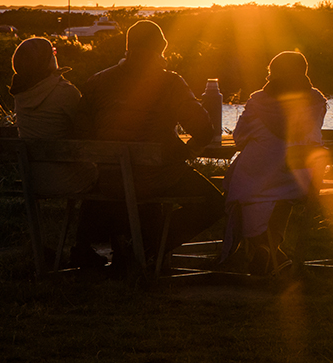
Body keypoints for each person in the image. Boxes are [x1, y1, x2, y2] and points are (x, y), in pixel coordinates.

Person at [76, 20, 225, 262]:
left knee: (141, 188)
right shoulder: (170, 82)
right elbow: (203, 129)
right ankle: (149, 245)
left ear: (128, 47)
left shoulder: (97, 81)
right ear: (161, 50)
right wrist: (189, 152)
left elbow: (82, 130)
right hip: (156, 177)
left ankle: (136, 247)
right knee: (214, 204)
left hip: (110, 179)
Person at [222, 51, 327, 274]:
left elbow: (239, 137)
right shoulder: (316, 101)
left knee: (242, 191)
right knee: (285, 195)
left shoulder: (258, 101)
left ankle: (262, 247)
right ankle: (272, 250)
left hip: (257, 173)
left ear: (272, 74)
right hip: (300, 176)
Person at [9, 37, 96, 196]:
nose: (55, 55)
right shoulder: (64, 92)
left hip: (33, 179)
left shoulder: (20, 94)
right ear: (45, 61)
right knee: (103, 174)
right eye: (53, 52)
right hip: (68, 179)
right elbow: (87, 128)